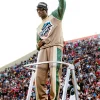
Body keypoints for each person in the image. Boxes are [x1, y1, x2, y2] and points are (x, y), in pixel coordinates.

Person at [35, 0, 66, 99]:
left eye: (41, 9)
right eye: (37, 10)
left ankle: (54, 98)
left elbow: (62, 5)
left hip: (55, 46)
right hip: (43, 49)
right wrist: (38, 45)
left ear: (46, 10)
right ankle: (41, 98)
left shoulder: (55, 15)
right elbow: (37, 45)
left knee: (54, 75)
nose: (39, 11)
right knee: (38, 77)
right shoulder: (38, 28)